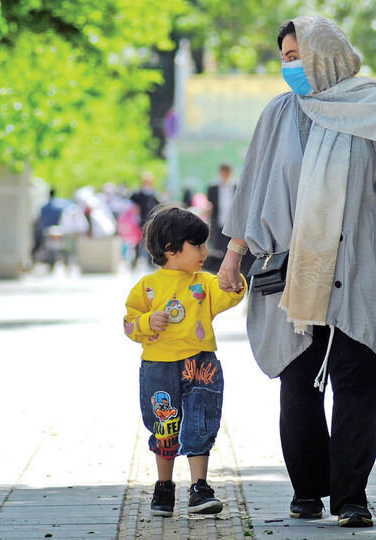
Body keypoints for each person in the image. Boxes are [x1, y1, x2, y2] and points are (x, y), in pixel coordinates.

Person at [217, 17, 376, 528]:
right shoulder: (278, 114)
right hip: (291, 273)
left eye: (298, 54)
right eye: (285, 56)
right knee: (298, 383)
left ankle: (352, 496)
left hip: (360, 269)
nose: (289, 65)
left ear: (328, 53)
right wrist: (233, 254)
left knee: (354, 381)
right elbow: (252, 183)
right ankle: (307, 491)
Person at [123, 205, 247, 517]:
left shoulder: (204, 283)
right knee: (163, 423)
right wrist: (147, 321)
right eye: (198, 245)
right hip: (158, 366)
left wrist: (235, 283)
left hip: (201, 364)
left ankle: (199, 486)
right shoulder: (147, 287)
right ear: (171, 249)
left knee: (200, 420)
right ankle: (164, 486)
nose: (206, 251)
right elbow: (129, 324)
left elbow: (227, 295)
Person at [130, 171, 161, 268]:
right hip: (139, 220)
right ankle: (135, 260)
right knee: (137, 242)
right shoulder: (137, 194)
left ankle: (150, 260)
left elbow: (158, 205)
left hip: (150, 220)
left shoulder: (154, 193)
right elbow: (133, 206)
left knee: (150, 241)